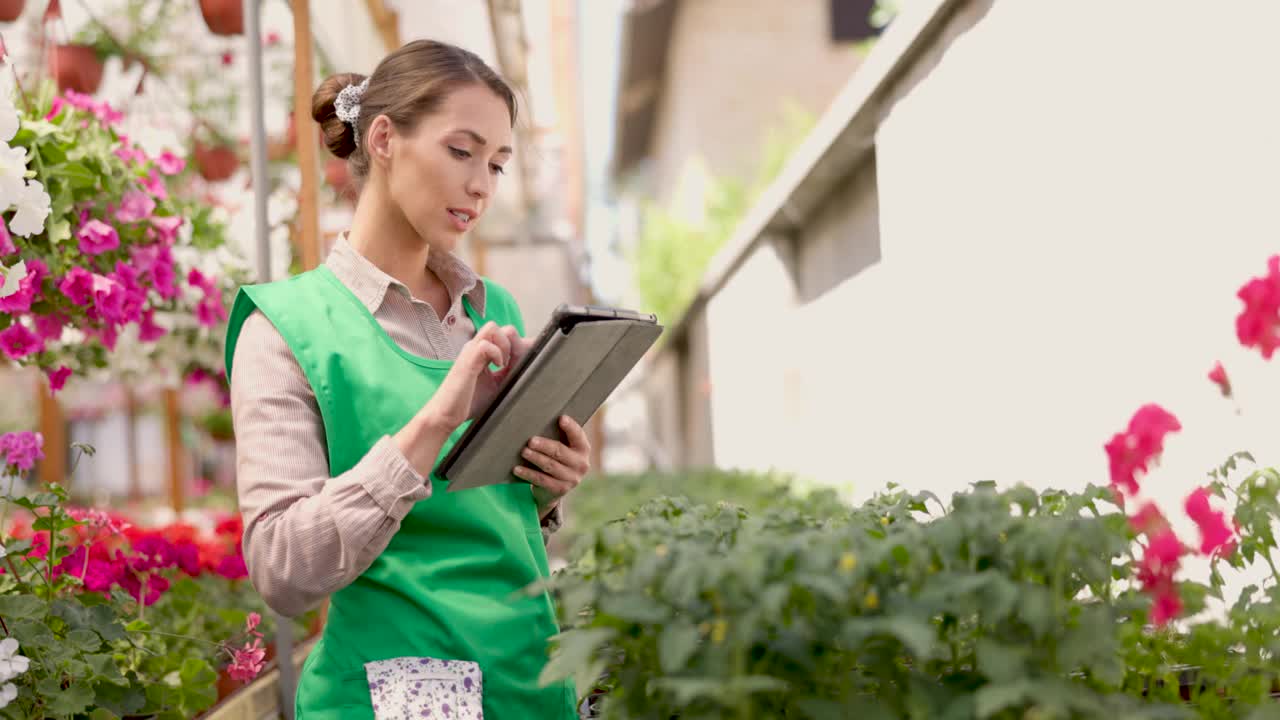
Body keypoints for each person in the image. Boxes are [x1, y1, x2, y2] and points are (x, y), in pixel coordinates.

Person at [224, 39, 586, 719]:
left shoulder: (493, 311)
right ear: (385, 138)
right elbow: (281, 572)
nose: (481, 184)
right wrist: (433, 424)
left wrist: (545, 483)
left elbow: (486, 523)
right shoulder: (282, 329)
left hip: (526, 679)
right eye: (462, 151)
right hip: (389, 692)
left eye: (498, 164)